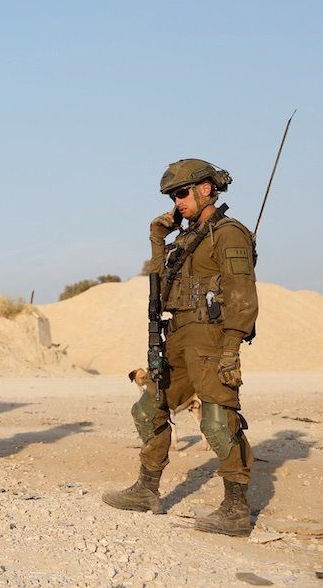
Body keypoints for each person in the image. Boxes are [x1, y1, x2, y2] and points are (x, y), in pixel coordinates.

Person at [103, 158, 258, 537]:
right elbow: (159, 281)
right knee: (149, 408)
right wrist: (158, 236)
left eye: (182, 192)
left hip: (210, 338)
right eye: (173, 196)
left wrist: (231, 349)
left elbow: (242, 296)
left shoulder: (228, 233)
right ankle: (146, 490)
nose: (178, 201)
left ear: (206, 188)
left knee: (218, 421)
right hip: (178, 336)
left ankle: (235, 509)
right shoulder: (187, 238)